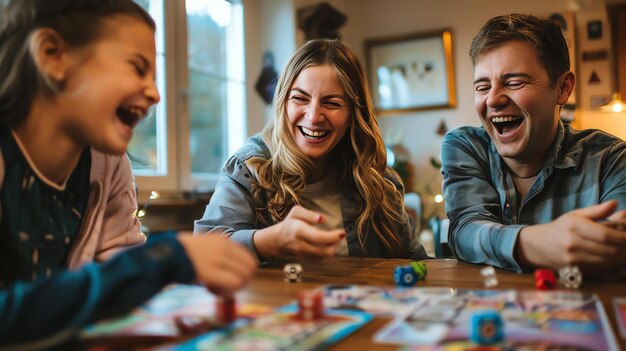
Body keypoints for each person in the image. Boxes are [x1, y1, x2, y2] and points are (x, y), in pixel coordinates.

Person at [0, 0, 256, 348]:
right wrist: (164, 258)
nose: (155, 94)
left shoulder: (108, 160)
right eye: (138, 68)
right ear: (52, 55)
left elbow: (121, 270)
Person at [195, 39, 427, 262]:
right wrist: (271, 241)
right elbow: (204, 249)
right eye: (299, 98)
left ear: (353, 115)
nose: (314, 116)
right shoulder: (248, 167)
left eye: (332, 103)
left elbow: (415, 261)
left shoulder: (376, 178)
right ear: (283, 103)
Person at [441, 13, 626, 278]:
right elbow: (465, 232)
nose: (492, 100)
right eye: (482, 87)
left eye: (514, 82)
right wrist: (540, 243)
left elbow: (615, 252)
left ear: (563, 88)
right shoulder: (465, 146)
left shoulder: (612, 159)